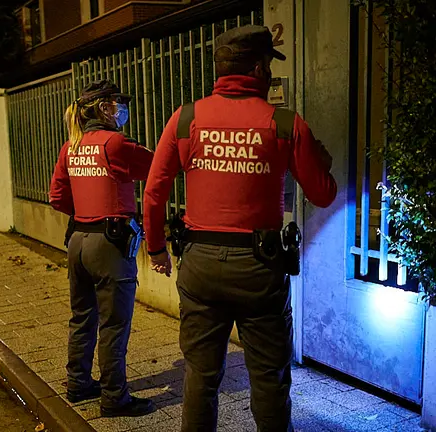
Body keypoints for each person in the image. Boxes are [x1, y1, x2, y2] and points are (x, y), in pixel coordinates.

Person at [142, 25, 337, 431]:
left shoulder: (186, 118)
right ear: (258, 67)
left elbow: (154, 192)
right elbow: (323, 194)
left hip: (201, 266)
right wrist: (320, 157)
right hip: (260, 269)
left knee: (201, 375)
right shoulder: (284, 123)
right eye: (267, 64)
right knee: (269, 377)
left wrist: (157, 247)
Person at [49, 80, 157, 417]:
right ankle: (114, 398)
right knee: (113, 324)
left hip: (78, 240)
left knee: (82, 318)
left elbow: (56, 197)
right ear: (102, 108)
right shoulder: (115, 143)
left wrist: (86, 213)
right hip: (110, 245)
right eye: (116, 103)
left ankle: (78, 383)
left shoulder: (72, 146)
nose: (121, 109)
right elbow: (157, 166)